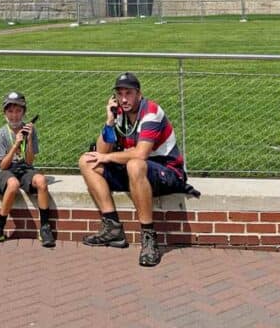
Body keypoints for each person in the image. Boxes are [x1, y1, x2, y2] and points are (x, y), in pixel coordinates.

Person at [78, 72, 197, 268]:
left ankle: (149, 238)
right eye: (119, 94)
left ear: (139, 94)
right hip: (138, 174)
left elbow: (141, 154)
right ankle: (112, 228)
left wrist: (108, 157)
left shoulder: (151, 112)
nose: (124, 99)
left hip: (168, 172)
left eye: (129, 93)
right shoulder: (119, 115)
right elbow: (101, 151)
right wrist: (109, 121)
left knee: (134, 163)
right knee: (86, 161)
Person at [0, 90, 55, 248]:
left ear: (24, 112)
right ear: (4, 113)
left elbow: (29, 161)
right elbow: (3, 165)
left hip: (24, 168)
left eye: (18, 111)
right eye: (10, 111)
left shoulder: (30, 131)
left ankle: (44, 227)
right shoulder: (1, 134)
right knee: (13, 184)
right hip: (5, 170)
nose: (14, 115)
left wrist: (27, 141)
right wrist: (15, 145)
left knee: (41, 181)